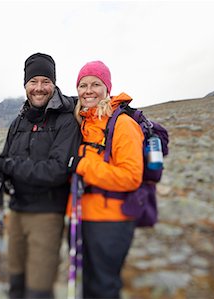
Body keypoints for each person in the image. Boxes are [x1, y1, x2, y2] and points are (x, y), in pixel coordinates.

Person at [0, 53, 82, 299]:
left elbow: (58, 170)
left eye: (45, 81)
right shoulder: (19, 121)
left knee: (38, 289)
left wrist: (10, 166)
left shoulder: (65, 121)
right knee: (16, 282)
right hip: (18, 210)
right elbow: (7, 156)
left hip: (47, 214)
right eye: (33, 82)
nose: (39, 88)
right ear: (25, 85)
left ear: (53, 84)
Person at [67, 60, 144, 299]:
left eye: (95, 84)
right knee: (89, 286)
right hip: (82, 217)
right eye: (83, 85)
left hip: (111, 220)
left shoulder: (122, 124)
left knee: (103, 287)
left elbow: (131, 177)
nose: (88, 90)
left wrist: (82, 165)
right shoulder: (83, 123)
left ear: (107, 89)